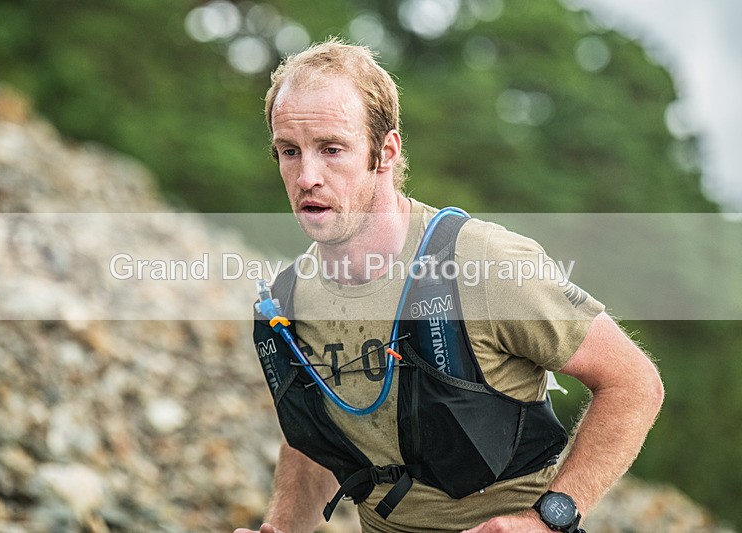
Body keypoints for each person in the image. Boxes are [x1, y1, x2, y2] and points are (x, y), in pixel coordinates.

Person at [235, 38, 664, 533]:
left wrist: (549, 519)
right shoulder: (291, 298)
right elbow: (314, 436)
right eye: (289, 152)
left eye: (332, 149)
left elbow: (634, 383)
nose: (307, 176)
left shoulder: (485, 264)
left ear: (385, 152)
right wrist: (284, 528)